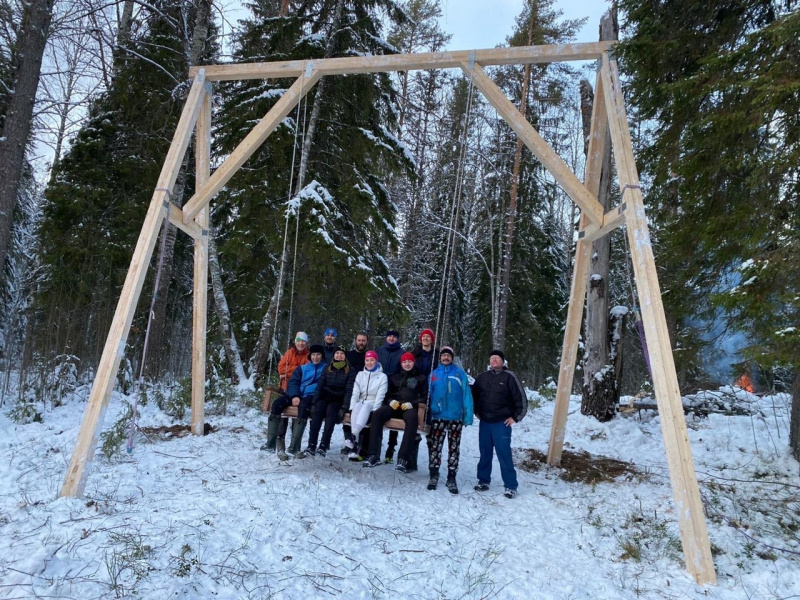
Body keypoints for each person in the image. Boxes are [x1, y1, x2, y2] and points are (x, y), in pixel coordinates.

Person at [471, 350, 527, 499]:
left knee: (504, 454)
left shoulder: (510, 377)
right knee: (485, 452)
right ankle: (483, 480)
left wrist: (516, 417)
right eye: (491, 358)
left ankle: (510, 486)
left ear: (502, 361)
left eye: (497, 358)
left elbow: (520, 399)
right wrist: (476, 411)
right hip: (485, 422)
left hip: (501, 423)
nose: (494, 360)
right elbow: (473, 396)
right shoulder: (482, 377)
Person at [365, 352, 427, 470]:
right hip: (394, 405)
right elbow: (386, 394)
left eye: (409, 361)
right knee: (377, 414)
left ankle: (403, 458)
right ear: (401, 363)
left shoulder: (421, 378)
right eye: (404, 362)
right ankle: (373, 454)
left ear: (414, 362)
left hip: (409, 408)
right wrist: (390, 401)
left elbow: (425, 397)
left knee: (412, 419)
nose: (407, 364)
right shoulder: (394, 377)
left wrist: (413, 404)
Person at [263, 345, 326, 458]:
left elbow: (325, 385)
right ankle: (270, 443)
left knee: (303, 407)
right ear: (310, 356)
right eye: (313, 355)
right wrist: (295, 395)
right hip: (297, 394)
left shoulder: (326, 369)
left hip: (311, 396)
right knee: (277, 404)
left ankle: (294, 447)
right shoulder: (303, 368)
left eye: (318, 355)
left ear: (322, 356)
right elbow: (293, 382)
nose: (315, 357)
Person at [426, 346, 473, 493]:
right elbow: (428, 396)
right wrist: (428, 415)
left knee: (454, 448)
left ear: (452, 358)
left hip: (455, 417)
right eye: (443, 355)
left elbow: (467, 396)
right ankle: (434, 475)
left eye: (448, 356)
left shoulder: (460, 374)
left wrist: (467, 415)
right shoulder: (433, 375)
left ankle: (451, 478)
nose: (446, 358)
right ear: (440, 358)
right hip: (437, 416)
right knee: (435, 447)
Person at [298, 346, 356, 458]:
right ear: (334, 355)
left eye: (342, 353)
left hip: (338, 399)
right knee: (317, 413)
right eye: (337, 353)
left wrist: (344, 407)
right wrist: (314, 403)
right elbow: (320, 386)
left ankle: (324, 445)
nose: (339, 355)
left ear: (345, 356)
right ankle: (311, 445)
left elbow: (349, 390)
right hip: (325, 396)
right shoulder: (328, 368)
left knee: (331, 415)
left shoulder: (350, 370)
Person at [345, 350, 387, 460]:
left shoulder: (382, 377)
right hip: (361, 402)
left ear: (376, 361)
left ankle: (354, 439)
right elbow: (355, 392)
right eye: (367, 360)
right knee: (357, 406)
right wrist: (352, 407)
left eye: (372, 360)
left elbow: (380, 396)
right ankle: (354, 440)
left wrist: (375, 409)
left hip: (372, 404)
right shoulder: (360, 375)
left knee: (366, 406)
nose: (369, 363)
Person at [274, 332, 310, 453]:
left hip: (300, 390)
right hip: (285, 388)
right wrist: (296, 371)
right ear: (295, 342)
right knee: (283, 416)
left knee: (297, 415)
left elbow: (307, 373)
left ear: (306, 343)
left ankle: (295, 445)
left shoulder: (309, 355)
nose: (301, 343)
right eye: (299, 341)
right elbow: (281, 368)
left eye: (303, 341)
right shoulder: (289, 353)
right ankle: (280, 443)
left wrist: (289, 372)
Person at [376, 329, 404, 462]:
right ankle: (374, 447)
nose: (392, 339)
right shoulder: (379, 351)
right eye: (389, 336)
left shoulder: (401, 353)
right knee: (376, 415)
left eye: (394, 337)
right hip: (379, 385)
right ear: (386, 338)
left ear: (397, 339)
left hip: (395, 387)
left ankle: (391, 448)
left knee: (394, 414)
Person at [342, 332, 369, 453]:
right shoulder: (349, 355)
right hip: (349, 389)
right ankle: (349, 444)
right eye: (359, 340)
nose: (361, 342)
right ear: (355, 341)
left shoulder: (369, 356)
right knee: (347, 417)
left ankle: (361, 446)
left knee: (363, 417)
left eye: (363, 340)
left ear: (366, 342)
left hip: (365, 392)